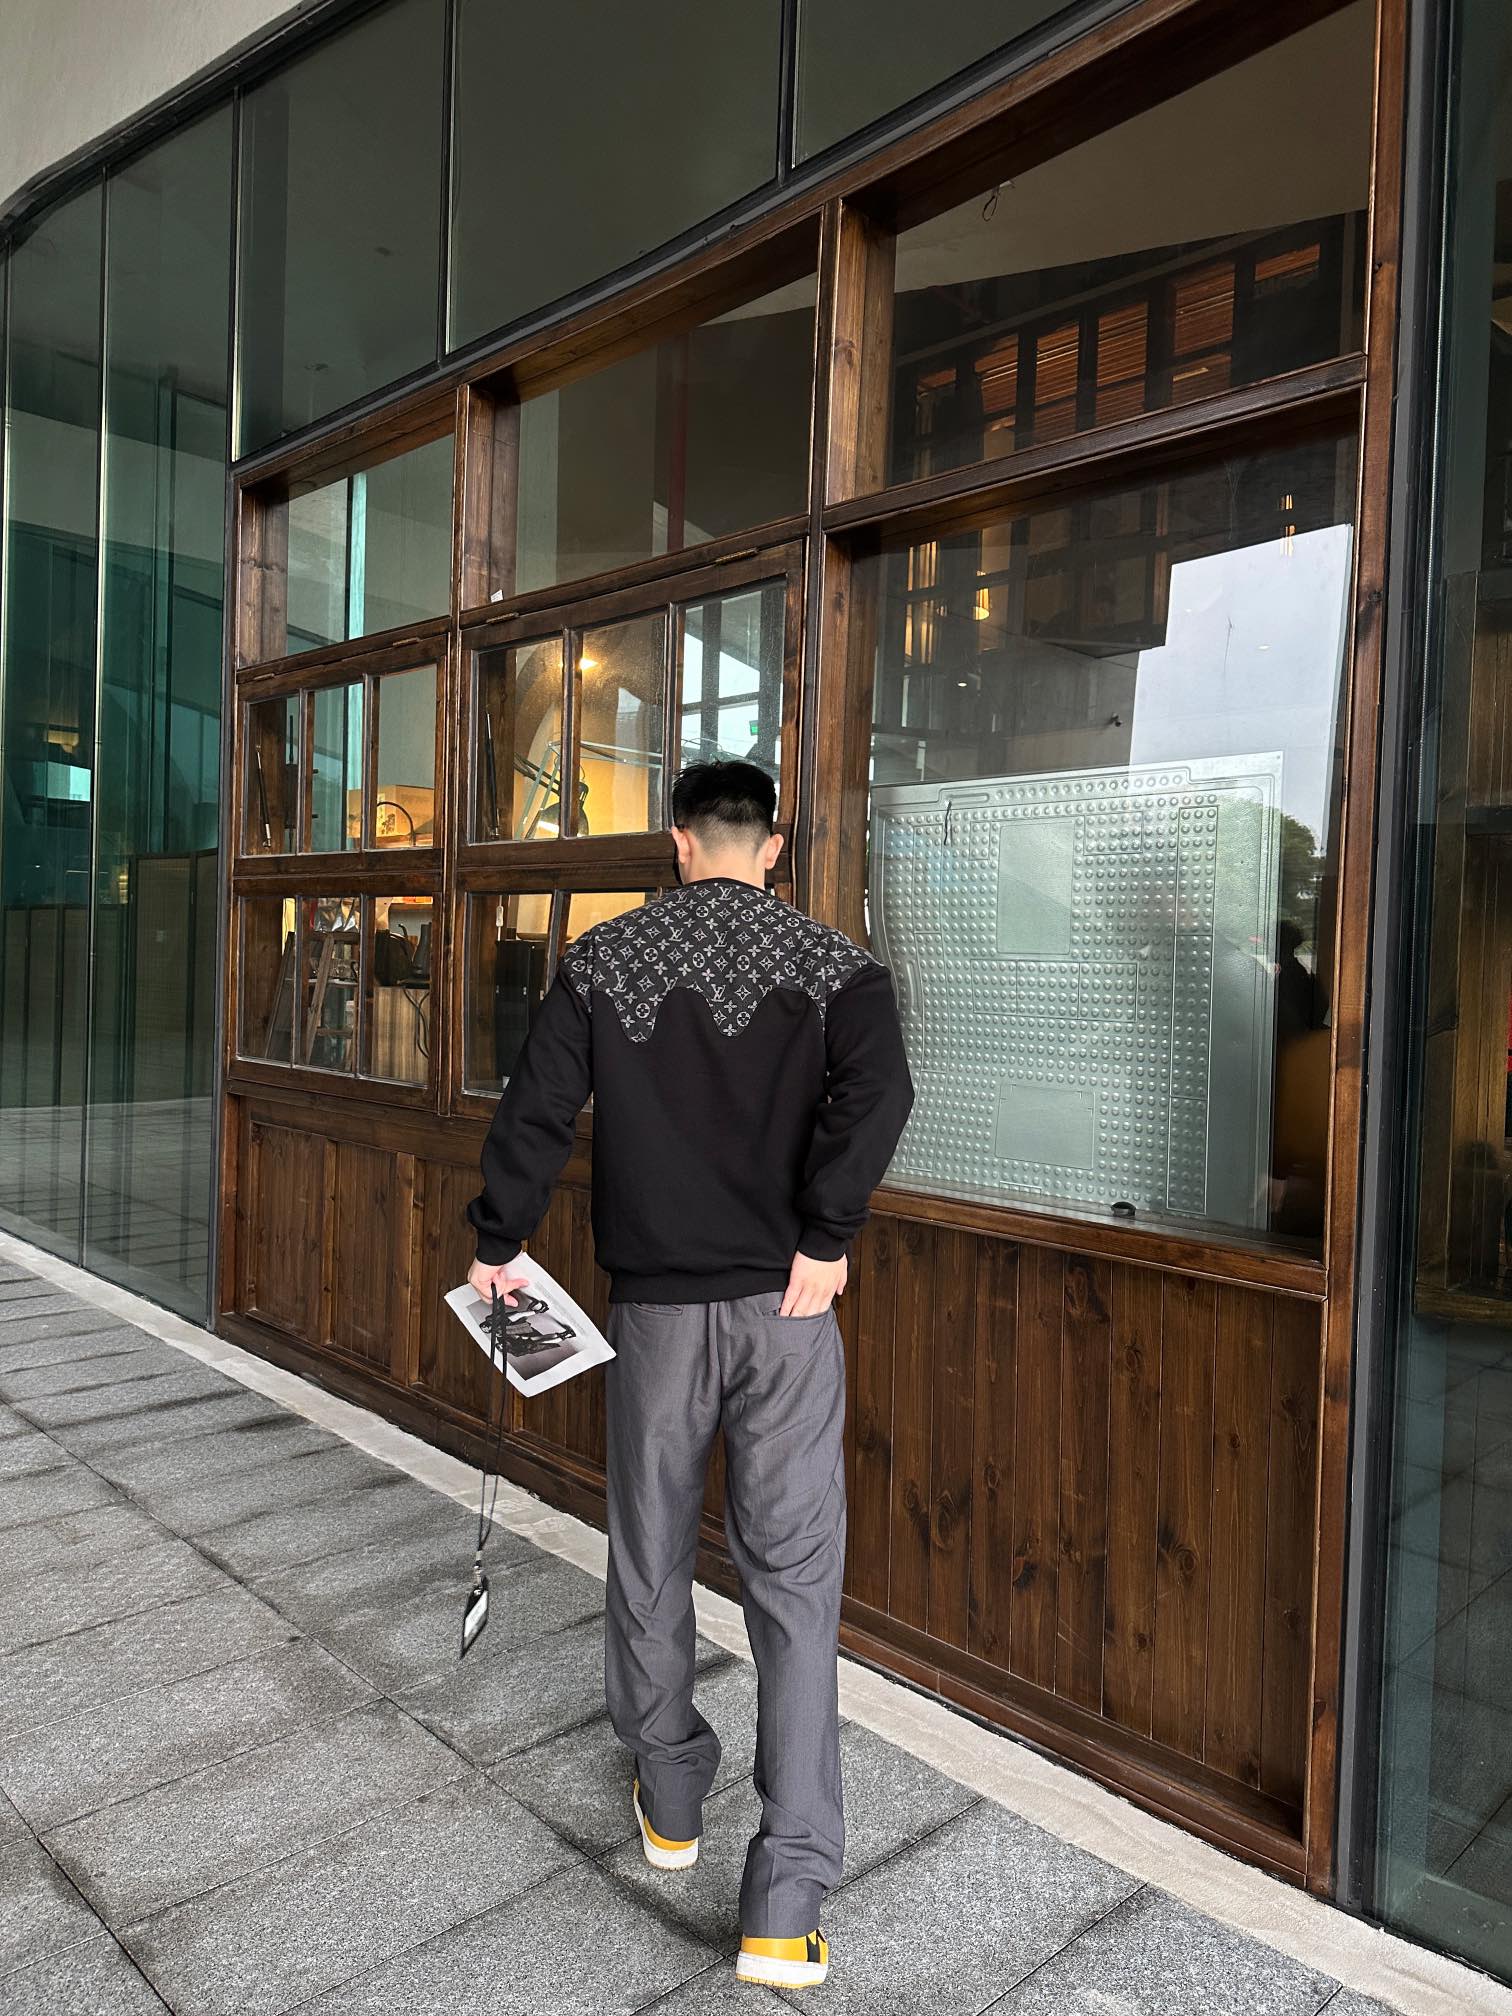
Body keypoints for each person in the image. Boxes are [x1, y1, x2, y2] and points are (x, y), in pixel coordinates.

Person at [467, 758, 913, 1990]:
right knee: (795, 1585)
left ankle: (670, 1795)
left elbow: (536, 1110)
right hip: (788, 1311)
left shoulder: (604, 961)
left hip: (658, 1313)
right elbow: (883, 1091)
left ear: (678, 840)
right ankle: (785, 1900)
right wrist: (827, 1234)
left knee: (651, 1548)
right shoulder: (838, 967)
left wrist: (499, 1240)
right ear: (770, 846)